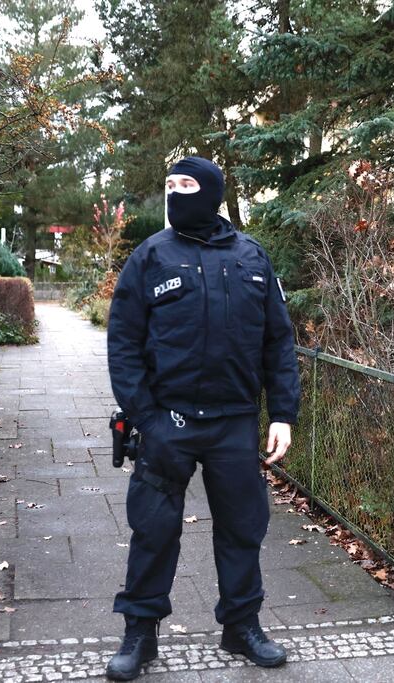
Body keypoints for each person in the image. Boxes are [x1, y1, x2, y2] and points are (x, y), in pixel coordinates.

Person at [105, 156, 300, 681]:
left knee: (242, 529)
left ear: (212, 191)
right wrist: (146, 417)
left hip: (234, 422)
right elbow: (123, 344)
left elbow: (278, 342)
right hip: (167, 422)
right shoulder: (151, 256)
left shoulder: (251, 257)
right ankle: (140, 634)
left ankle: (242, 626)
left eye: (186, 184)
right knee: (153, 530)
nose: (176, 193)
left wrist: (282, 414)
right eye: (170, 185)